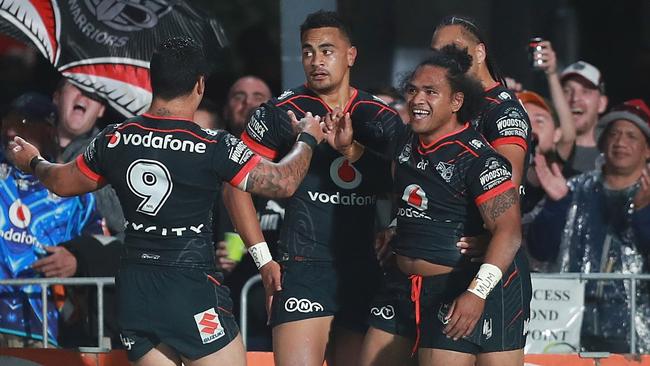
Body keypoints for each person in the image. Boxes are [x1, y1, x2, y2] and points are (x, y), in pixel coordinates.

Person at [6, 36, 325, 366]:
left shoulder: (115, 137)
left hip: (136, 291)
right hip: (188, 286)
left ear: (151, 81)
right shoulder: (213, 144)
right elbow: (284, 182)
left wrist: (34, 161)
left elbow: (61, 181)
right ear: (200, 85)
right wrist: (307, 138)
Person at [326, 46, 530, 366]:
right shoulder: (406, 141)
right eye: (412, 90)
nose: (417, 100)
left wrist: (476, 293)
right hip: (400, 288)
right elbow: (396, 183)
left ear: (456, 101)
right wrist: (349, 149)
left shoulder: (481, 160)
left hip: (453, 289)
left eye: (431, 92)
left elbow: (509, 231)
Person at [228, 10, 403, 366]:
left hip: (364, 268)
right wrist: (263, 259)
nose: (316, 61)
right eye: (308, 52)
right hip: (303, 267)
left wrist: (395, 227)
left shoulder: (380, 117)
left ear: (350, 55)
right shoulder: (280, 112)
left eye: (327, 51)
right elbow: (235, 186)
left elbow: (407, 185)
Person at [528, 99, 650, 353]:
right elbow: (540, 251)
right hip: (569, 327)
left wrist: (642, 212)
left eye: (631, 136)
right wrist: (557, 205)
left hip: (634, 338)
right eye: (614, 134)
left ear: (647, 150)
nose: (620, 142)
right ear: (602, 142)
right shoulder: (573, 190)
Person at [0, 94, 101, 347]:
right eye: (8, 122)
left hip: (43, 328)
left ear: (49, 130)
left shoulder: (71, 189)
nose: (12, 130)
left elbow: (102, 245)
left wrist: (77, 259)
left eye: (24, 124)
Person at [430, 15, 531, 190]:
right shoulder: (450, 102)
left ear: (479, 53)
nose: (444, 62)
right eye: (437, 55)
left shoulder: (503, 109)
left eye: (453, 51)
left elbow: (507, 190)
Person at [559, 61, 608, 173]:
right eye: (567, 91)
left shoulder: (615, 155)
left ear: (601, 104)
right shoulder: (546, 153)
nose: (575, 98)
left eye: (586, 91)